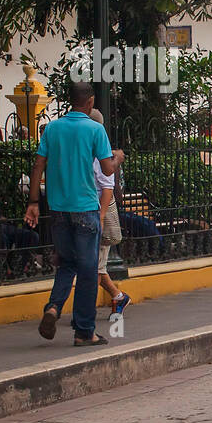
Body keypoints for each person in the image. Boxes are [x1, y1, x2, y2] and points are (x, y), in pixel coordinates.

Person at [25, 81, 124, 347]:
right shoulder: (95, 129)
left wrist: (33, 202)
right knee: (89, 270)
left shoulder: (53, 128)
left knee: (67, 264)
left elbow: (38, 166)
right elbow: (106, 170)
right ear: (90, 102)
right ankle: (84, 331)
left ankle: (54, 307)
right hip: (85, 210)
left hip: (58, 209)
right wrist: (119, 157)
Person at [88, 109, 130, 320]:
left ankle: (87, 312)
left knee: (95, 266)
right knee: (93, 265)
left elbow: (108, 188)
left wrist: (101, 217)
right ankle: (118, 296)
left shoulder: (102, 154)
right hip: (87, 213)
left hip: (97, 214)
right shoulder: (90, 151)